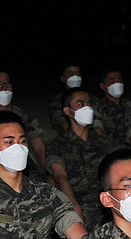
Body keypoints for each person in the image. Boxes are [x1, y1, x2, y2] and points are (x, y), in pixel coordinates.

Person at [46, 88, 119, 231]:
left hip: (105, 202)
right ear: (67, 111)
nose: (87, 108)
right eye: (80, 104)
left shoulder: (105, 143)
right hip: (79, 203)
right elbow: (61, 178)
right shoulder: (57, 144)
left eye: (89, 104)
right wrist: (75, 208)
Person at [0, 71, 48, 172]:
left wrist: (49, 174)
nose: (4, 87)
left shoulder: (24, 115)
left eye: (7, 83)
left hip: (25, 170)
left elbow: (39, 148)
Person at [93, 69, 131, 150]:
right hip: (109, 152)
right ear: (103, 86)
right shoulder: (97, 107)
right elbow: (97, 132)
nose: (117, 84)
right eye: (112, 81)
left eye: (119, 81)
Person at [48, 64, 83, 133]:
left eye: (78, 74)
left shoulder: (90, 98)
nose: (75, 77)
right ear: (63, 79)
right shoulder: (57, 100)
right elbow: (62, 123)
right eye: (71, 74)